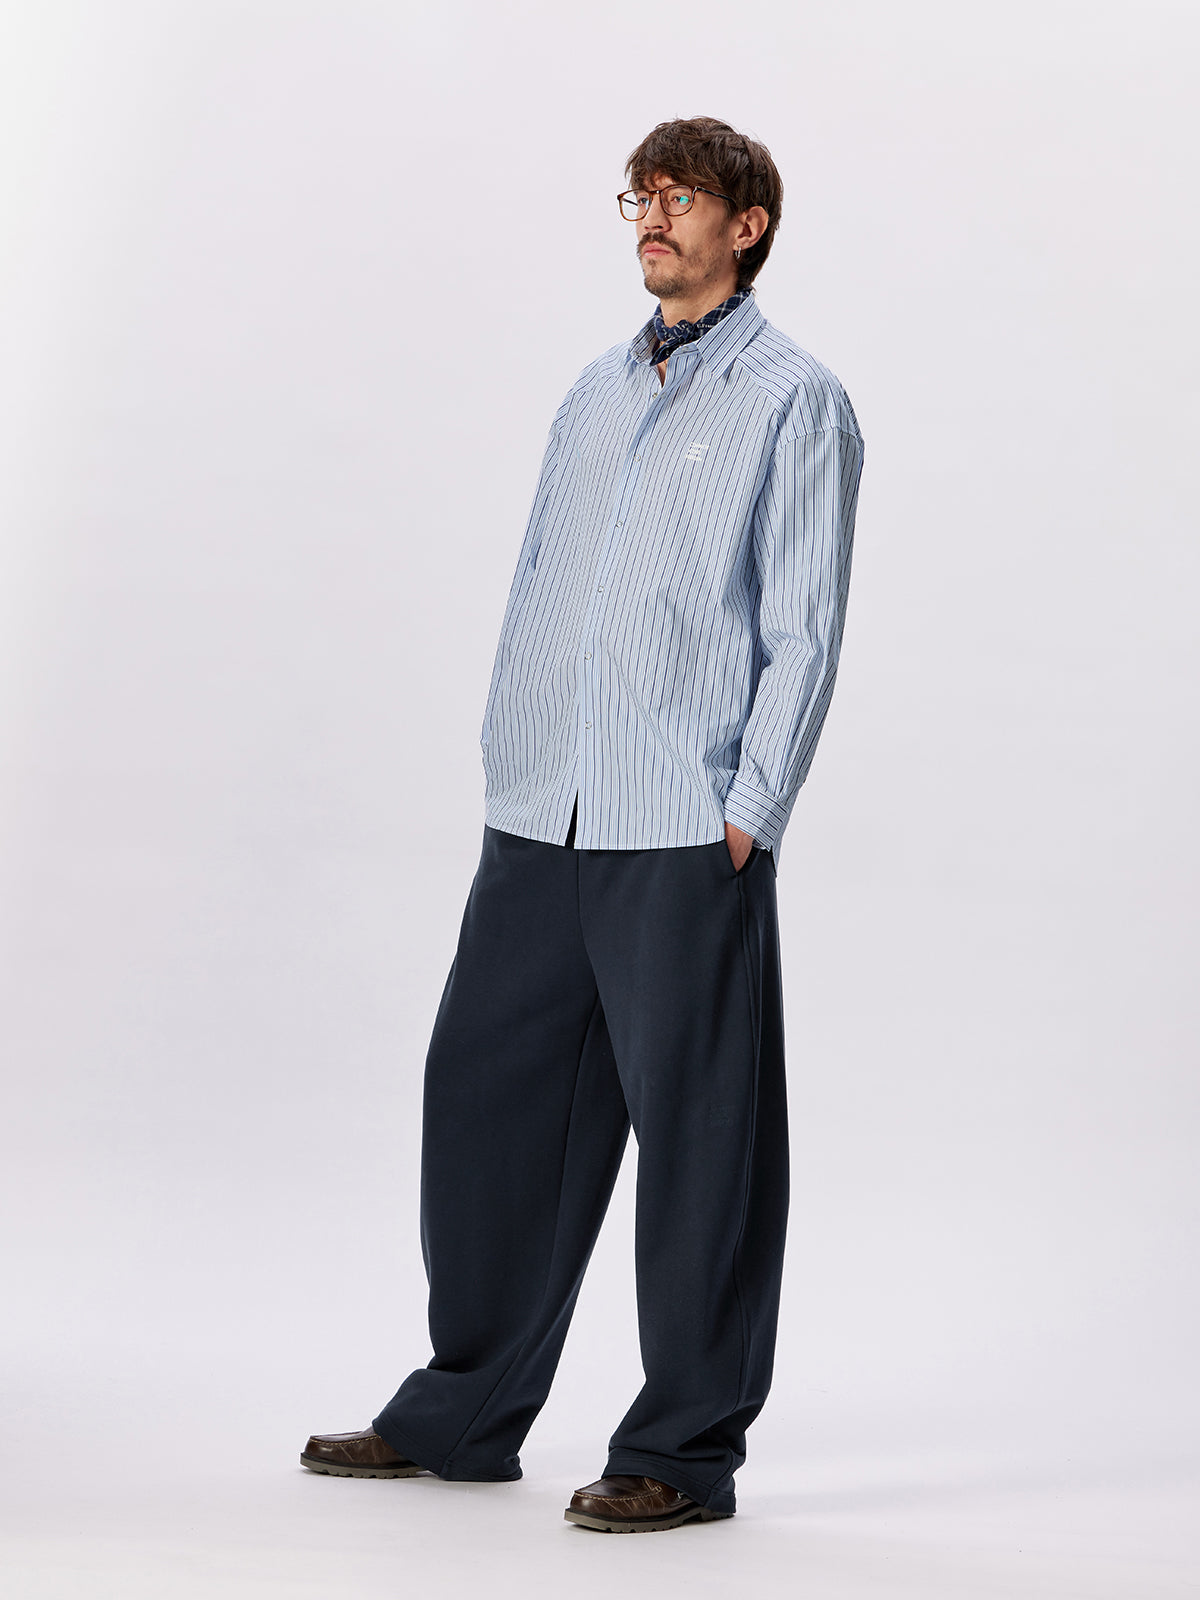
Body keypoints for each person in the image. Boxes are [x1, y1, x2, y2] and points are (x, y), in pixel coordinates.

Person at [301, 114, 865, 1534]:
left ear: (747, 225)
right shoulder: (592, 393)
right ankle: (465, 1408)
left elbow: (804, 627)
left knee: (702, 1144)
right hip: (540, 815)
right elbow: (540, 577)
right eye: (643, 195)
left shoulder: (795, 400)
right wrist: (512, 749)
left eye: (685, 198)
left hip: (685, 823)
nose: (654, 218)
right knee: (484, 1103)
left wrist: (752, 810)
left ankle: (682, 1450)